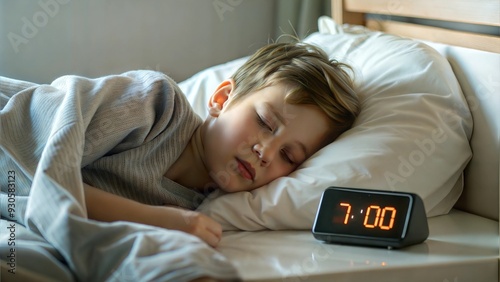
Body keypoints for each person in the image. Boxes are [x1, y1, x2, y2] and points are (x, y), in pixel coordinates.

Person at [4, 41, 359, 250]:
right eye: (265, 123)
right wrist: (162, 220)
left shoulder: (207, 205)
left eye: (288, 155)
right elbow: (46, 171)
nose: (265, 152)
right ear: (221, 99)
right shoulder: (156, 104)